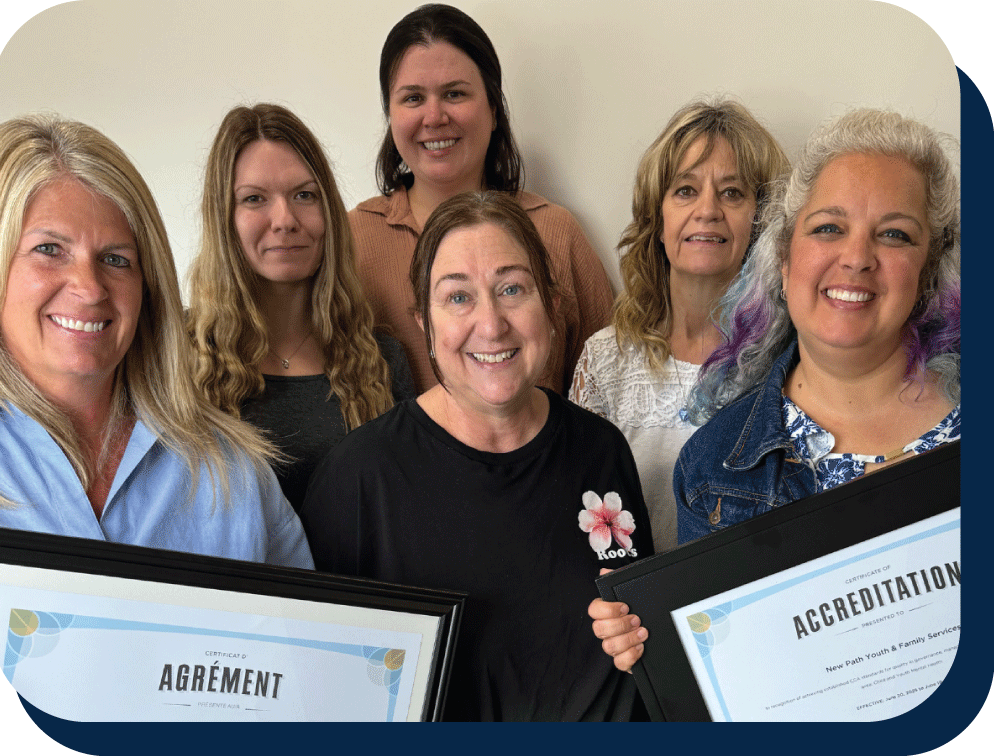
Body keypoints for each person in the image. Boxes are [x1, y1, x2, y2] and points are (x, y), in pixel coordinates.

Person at [589, 108, 960, 671]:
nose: (857, 257)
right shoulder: (711, 464)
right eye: (829, 227)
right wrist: (657, 639)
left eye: (893, 234)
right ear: (784, 259)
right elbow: (724, 672)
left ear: (928, 273)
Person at [302, 191, 653, 720]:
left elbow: (637, 634)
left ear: (551, 305)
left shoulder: (600, 451)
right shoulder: (358, 479)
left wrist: (639, 637)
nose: (491, 325)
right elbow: (325, 690)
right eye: (458, 297)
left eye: (512, 289)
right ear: (424, 321)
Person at [0, 115, 313, 569]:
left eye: (116, 259)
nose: (90, 287)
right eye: (49, 250)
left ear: (149, 288)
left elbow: (301, 638)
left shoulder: (232, 472)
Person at [351, 3, 613, 395]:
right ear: (389, 115)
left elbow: (611, 387)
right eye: (412, 98)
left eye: (454, 93)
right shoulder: (352, 241)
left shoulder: (555, 232)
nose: (434, 116)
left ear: (493, 107)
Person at [571, 99, 789, 553]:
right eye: (685, 190)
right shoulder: (604, 361)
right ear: (657, 215)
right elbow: (576, 515)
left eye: (732, 193)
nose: (707, 210)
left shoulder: (789, 359)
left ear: (762, 218)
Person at [187, 104, 414, 510]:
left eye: (304, 195)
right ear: (224, 218)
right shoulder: (178, 356)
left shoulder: (381, 362)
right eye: (254, 198)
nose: (285, 219)